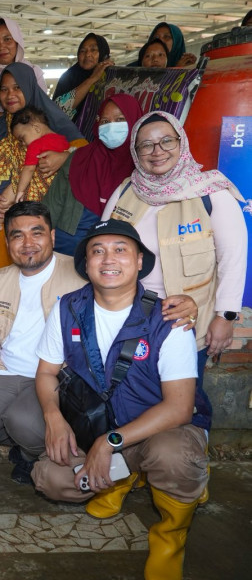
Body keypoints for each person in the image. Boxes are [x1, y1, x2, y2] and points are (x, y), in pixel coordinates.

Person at [32, 219, 210, 580]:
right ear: (86, 264)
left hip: (156, 433)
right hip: (99, 426)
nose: (108, 258)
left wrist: (109, 442)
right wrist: (53, 416)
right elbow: (46, 371)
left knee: (173, 457)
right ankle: (123, 478)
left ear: (140, 261)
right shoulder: (68, 308)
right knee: (50, 478)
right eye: (97, 250)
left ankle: (170, 536)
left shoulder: (168, 318)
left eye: (120, 249)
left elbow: (178, 408)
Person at [102, 111, 247, 392]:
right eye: (146, 145)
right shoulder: (125, 192)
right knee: (129, 396)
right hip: (128, 319)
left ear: (182, 144)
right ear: (135, 151)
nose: (157, 152)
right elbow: (100, 251)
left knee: (184, 401)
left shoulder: (211, 193)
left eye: (167, 141)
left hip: (188, 321)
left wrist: (225, 317)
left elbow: (233, 259)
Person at [0, 202, 86, 483]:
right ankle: (27, 442)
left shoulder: (79, 275)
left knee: (22, 420)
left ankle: (34, 452)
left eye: (36, 233)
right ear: (7, 242)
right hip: (7, 370)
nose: (28, 243)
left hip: (56, 376)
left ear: (52, 236)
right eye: (17, 235)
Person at [0, 62, 85, 308]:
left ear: (29, 87)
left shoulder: (54, 122)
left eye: (17, 87)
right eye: (4, 89)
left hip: (43, 207)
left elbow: (86, 152)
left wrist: (64, 156)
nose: (10, 94)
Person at [43, 94, 144, 256]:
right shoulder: (79, 159)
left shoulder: (146, 166)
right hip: (67, 253)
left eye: (119, 120)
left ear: (135, 120)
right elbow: (50, 209)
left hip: (118, 260)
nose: (111, 127)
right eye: (104, 121)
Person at [0, 106, 70, 235]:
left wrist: (20, 191)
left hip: (36, 183)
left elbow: (28, 169)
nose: (23, 144)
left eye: (22, 138)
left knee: (8, 195)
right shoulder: (63, 140)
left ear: (36, 128)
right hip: (53, 189)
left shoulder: (35, 145)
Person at [0, 18, 45, 119]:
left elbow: (42, 112)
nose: (1, 47)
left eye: (7, 39)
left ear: (17, 41)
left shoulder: (33, 72)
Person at [52, 33, 114, 122]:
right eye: (82, 51)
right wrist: (92, 79)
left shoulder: (111, 76)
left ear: (104, 54)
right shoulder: (69, 77)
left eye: (93, 50)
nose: (87, 54)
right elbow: (57, 111)